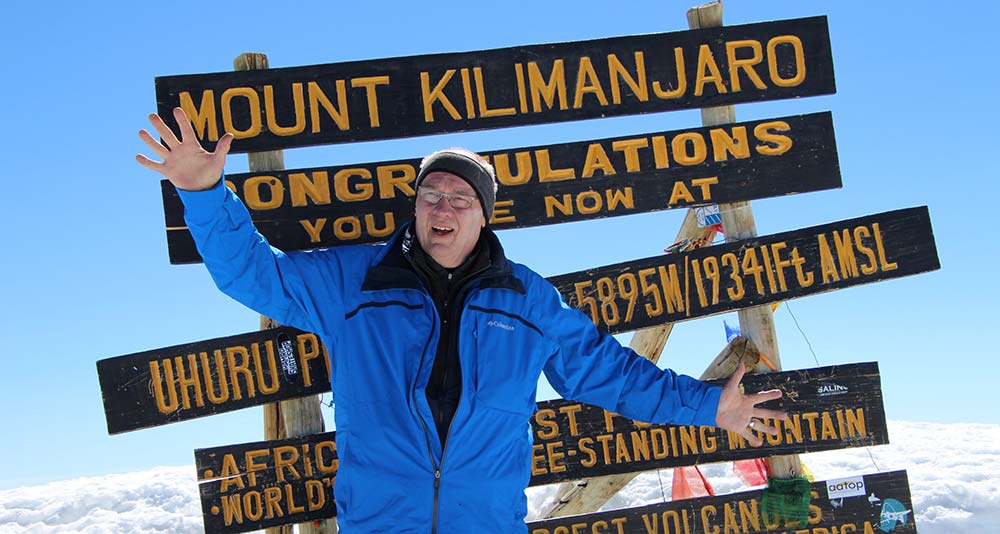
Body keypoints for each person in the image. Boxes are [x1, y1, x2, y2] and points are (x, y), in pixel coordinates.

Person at [137, 107, 787, 533]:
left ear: (484, 215)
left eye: (460, 198)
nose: (441, 207)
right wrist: (202, 192)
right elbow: (255, 276)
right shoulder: (354, 282)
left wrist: (711, 407)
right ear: (416, 206)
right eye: (430, 194)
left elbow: (611, 375)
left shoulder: (526, 301)